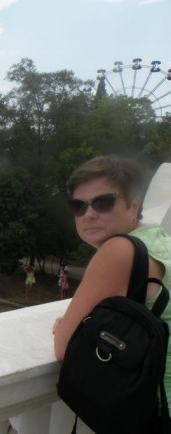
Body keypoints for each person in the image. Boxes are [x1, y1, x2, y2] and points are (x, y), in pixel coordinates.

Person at [52, 154, 171, 412]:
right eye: (78, 206)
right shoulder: (158, 239)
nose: (89, 214)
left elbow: (64, 346)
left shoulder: (119, 251)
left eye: (103, 202)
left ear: (134, 206)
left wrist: (68, 326)